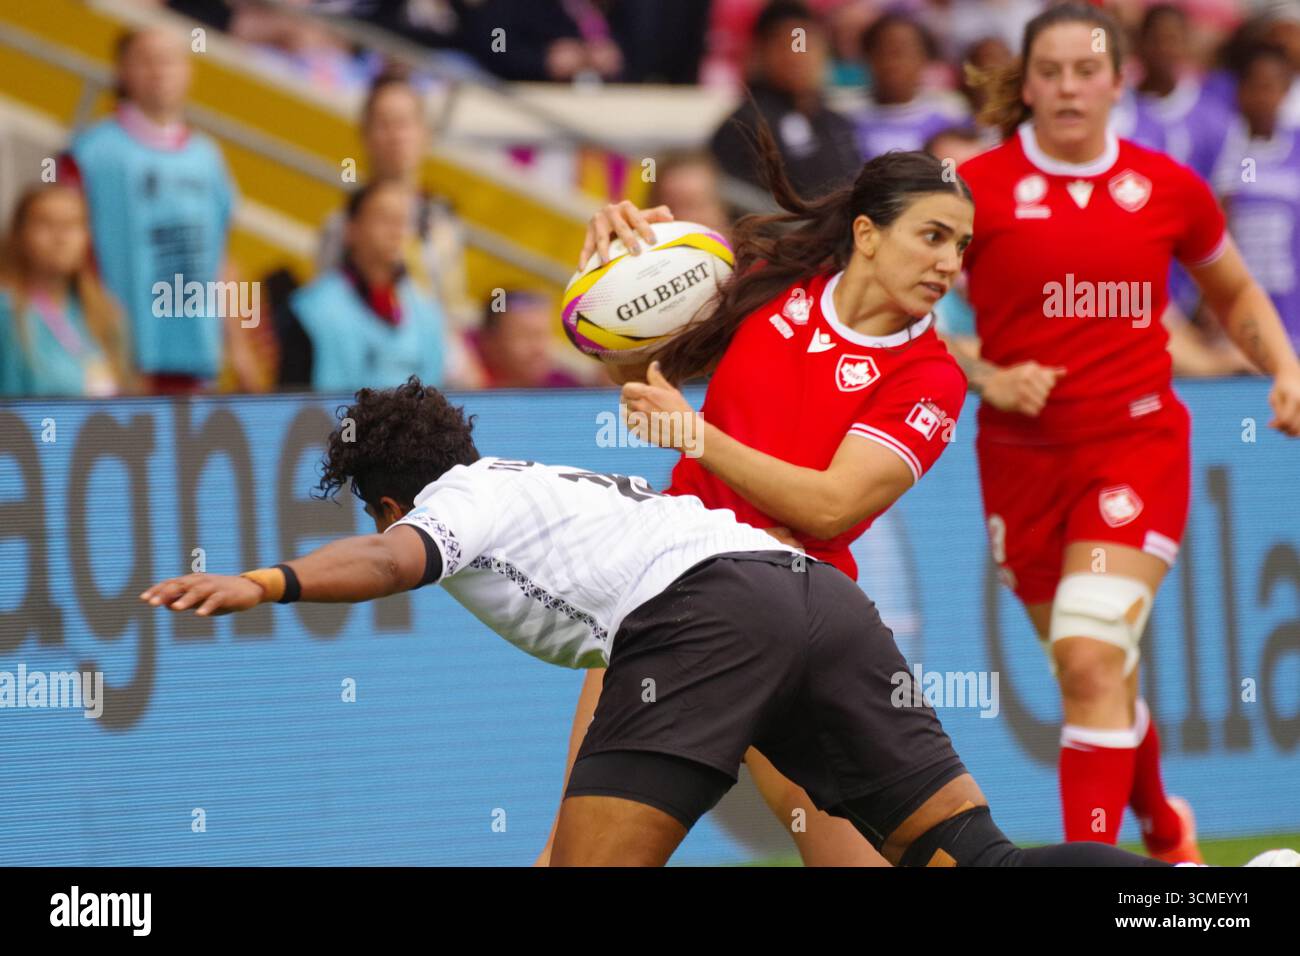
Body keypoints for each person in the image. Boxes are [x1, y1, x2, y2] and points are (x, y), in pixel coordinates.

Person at [138, 377, 1299, 868]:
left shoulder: (455, 503)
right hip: (809, 594)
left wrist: (266, 583)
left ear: (397, 488)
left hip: (713, 615)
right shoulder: (542, 489)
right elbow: (624, 657)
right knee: (967, 857)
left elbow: (393, 558)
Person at [540, 120, 975, 866]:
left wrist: (700, 437)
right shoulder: (772, 281)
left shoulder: (932, 378)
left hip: (797, 619)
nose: (949, 264)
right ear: (867, 234)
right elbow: (642, 380)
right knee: (574, 859)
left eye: (962, 246)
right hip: (669, 588)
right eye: (933, 236)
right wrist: (622, 272)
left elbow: (831, 506)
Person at [956, 2, 1300, 861]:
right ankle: (1165, 830)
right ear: (1026, 83)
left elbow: (1232, 294)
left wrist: (1286, 368)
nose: (1069, 88)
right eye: (1051, 72)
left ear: (1117, 80)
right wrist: (986, 373)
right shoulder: (972, 191)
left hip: (1136, 451)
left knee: (1086, 655)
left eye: (1086, 71)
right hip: (1018, 464)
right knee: (1094, 667)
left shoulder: (1167, 188)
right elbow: (905, 310)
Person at [63, 27, 252, 394]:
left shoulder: (208, 158)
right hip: (117, 356)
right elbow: (67, 258)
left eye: (169, 60)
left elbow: (221, 258)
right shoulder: (89, 154)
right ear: (122, 71)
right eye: (146, 60)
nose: (159, 70)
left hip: (196, 356)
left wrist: (237, 344)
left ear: (189, 71)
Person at [278, 181, 448, 392]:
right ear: (351, 230)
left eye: (403, 221)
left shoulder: (428, 316)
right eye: (384, 218)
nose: (396, 230)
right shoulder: (310, 312)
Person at [709, 1, 861, 201]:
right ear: (761, 53)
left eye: (806, 45)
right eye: (785, 45)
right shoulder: (742, 127)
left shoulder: (838, 124)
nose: (797, 57)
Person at [0, 184, 133, 397]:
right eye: (45, 223)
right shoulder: (7, 311)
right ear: (19, 234)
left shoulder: (105, 312)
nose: (61, 237)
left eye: (73, 224)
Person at [1210, 43, 1300, 351]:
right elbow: (1220, 223)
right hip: (1245, 302)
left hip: (1292, 303)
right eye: (1256, 87)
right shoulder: (1229, 150)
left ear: (1285, 90)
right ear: (1241, 91)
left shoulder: (1297, 148)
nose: (1264, 97)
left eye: (1271, 87)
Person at [851, 12, 969, 158]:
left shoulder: (950, 114)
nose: (894, 62)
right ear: (868, 57)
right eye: (884, 50)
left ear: (924, 58)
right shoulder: (847, 117)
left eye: (903, 51)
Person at [470, 290, 586, 389]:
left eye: (543, 335)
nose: (538, 349)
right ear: (490, 342)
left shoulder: (564, 388)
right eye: (525, 336)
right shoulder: (462, 384)